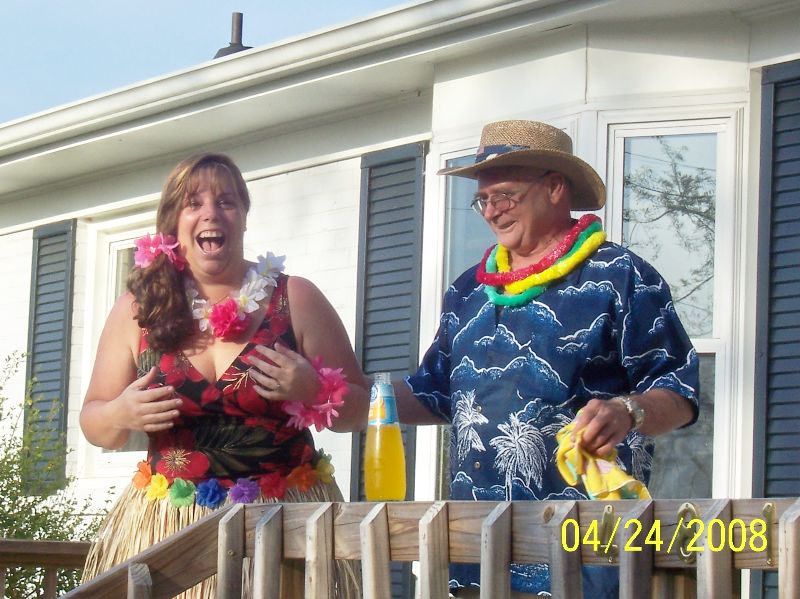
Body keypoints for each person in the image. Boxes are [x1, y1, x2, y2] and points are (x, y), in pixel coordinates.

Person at [392, 120, 700, 598]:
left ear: (555, 187)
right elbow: (432, 392)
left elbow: (679, 392)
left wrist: (628, 410)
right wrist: (337, 395)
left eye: (504, 196)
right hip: (478, 553)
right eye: (482, 200)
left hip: (587, 554)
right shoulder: (468, 291)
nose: (491, 211)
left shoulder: (621, 276)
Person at [79, 153, 367, 597]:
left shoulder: (295, 298)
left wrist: (313, 390)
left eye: (226, 202)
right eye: (193, 203)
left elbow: (360, 410)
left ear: (244, 217)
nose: (211, 213)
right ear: (173, 223)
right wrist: (120, 413)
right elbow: (95, 422)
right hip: (170, 529)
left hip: (285, 526)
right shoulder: (139, 309)